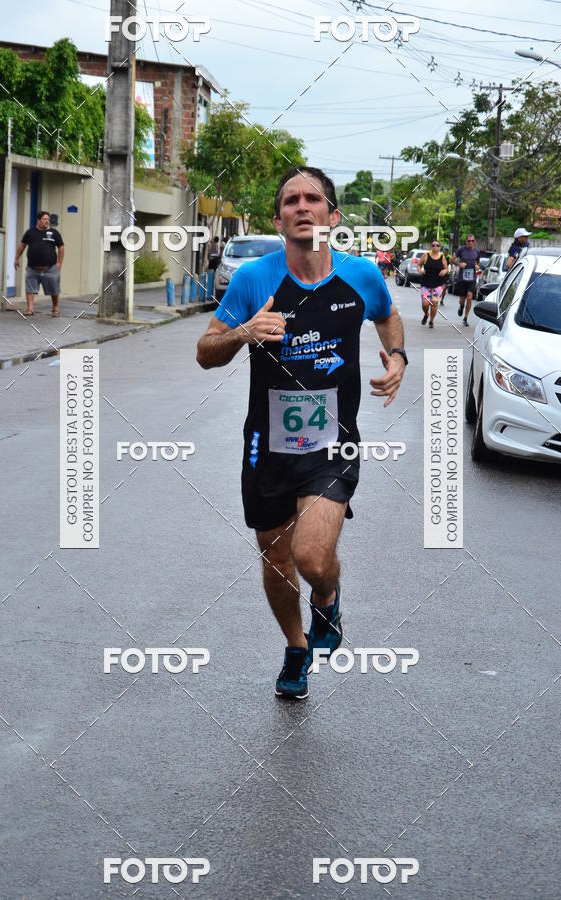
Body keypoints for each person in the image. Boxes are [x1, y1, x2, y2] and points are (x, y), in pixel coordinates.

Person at [196, 166, 407, 700]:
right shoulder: (253, 280)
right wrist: (243, 333)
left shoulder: (361, 276)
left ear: (333, 216)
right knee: (277, 560)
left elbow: (387, 316)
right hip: (266, 446)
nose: (302, 206)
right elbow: (205, 351)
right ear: (279, 220)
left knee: (311, 557)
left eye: (313, 198)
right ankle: (296, 647)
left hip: (332, 443)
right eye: (291, 200)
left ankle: (327, 599)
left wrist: (398, 356)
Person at [14, 211, 64, 317]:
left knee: (54, 290)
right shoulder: (30, 233)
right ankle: (30, 309)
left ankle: (55, 308)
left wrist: (59, 263)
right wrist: (16, 258)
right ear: (38, 220)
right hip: (33, 268)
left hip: (50, 268)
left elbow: (61, 247)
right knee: (30, 289)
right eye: (44, 219)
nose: (47, 221)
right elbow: (22, 245)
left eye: (48, 219)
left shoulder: (54, 233)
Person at [417, 240, 448, 328]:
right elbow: (419, 265)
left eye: (437, 245)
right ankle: (426, 314)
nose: (435, 247)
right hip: (426, 283)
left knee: (434, 302)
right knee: (425, 304)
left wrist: (444, 271)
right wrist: (420, 271)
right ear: (431, 246)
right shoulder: (426, 255)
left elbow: (446, 268)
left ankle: (431, 320)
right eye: (433, 245)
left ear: (440, 247)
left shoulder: (442, 257)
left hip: (438, 284)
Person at [452, 233, 480, 327]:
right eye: (469, 241)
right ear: (466, 241)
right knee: (462, 299)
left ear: (474, 241)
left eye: (472, 241)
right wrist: (459, 264)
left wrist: (477, 266)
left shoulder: (477, 251)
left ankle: (465, 318)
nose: (471, 242)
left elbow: (478, 263)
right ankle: (461, 306)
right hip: (462, 278)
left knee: (469, 297)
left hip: (472, 278)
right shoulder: (461, 250)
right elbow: (452, 260)